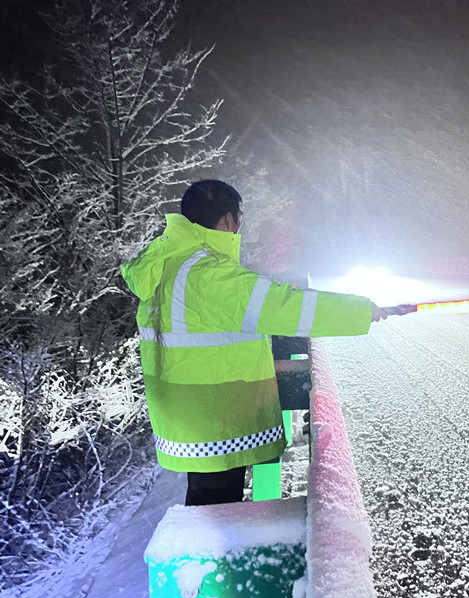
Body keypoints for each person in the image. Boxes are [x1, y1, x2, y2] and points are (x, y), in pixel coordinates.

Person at [121, 179, 388, 505]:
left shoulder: (169, 264)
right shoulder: (208, 274)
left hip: (185, 416)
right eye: (240, 218)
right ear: (229, 220)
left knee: (208, 501)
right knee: (216, 513)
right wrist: (359, 311)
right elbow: (285, 307)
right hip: (213, 419)